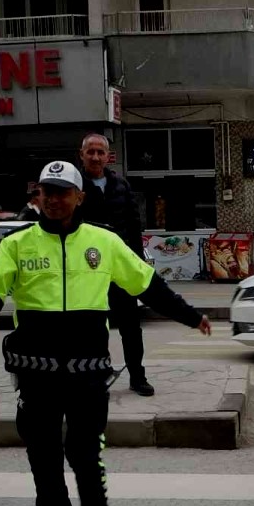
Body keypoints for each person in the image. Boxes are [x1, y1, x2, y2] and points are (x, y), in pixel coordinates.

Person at [0, 160, 212, 506]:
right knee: (44, 467)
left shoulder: (105, 241)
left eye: (63, 192)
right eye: (47, 191)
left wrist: (190, 316)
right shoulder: (17, 244)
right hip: (37, 378)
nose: (54, 199)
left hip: (87, 377)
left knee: (87, 463)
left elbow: (148, 285)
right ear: (38, 196)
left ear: (79, 197)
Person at [77, 133, 156, 397]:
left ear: (108, 156)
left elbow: (134, 226)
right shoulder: (74, 186)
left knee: (131, 328)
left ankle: (137, 376)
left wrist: (138, 264)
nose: (95, 157)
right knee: (93, 328)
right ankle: (98, 375)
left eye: (100, 152)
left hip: (120, 269)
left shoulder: (121, 185)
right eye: (91, 152)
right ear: (82, 155)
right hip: (87, 271)